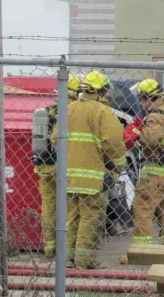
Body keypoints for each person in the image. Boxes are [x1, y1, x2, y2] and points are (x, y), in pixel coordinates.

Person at [53, 70, 126, 268]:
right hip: (93, 178)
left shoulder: (68, 109)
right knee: (92, 218)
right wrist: (119, 165)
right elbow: (113, 142)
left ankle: (67, 259)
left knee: (73, 218)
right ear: (100, 91)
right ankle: (85, 260)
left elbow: (54, 140)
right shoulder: (103, 112)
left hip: (68, 177)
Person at [130, 79, 164, 244]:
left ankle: (142, 249)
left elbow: (150, 140)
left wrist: (135, 131)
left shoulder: (155, 116)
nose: (141, 102)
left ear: (149, 98)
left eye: (142, 99)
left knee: (143, 209)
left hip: (156, 174)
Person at [35, 74, 81, 260]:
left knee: (49, 207)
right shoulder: (72, 111)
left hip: (44, 167)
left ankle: (50, 248)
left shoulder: (47, 111)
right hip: (64, 167)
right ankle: (67, 249)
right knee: (71, 209)